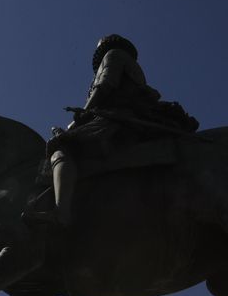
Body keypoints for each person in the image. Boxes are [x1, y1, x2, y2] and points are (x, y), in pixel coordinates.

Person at [23, 34, 196, 227]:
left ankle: (61, 212)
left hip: (117, 119)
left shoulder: (113, 55)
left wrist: (80, 116)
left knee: (61, 147)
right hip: (124, 117)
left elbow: (105, 86)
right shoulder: (130, 63)